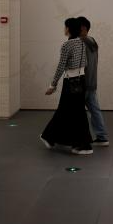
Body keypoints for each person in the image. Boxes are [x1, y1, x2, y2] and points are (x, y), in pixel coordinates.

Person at [40, 17, 93, 155]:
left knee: (67, 111)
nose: (64, 29)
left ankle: (79, 145)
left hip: (70, 82)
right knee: (75, 112)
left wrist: (53, 85)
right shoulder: (82, 43)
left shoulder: (67, 45)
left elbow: (61, 66)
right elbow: (85, 63)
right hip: (81, 81)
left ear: (69, 28)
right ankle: (55, 139)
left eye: (65, 26)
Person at [77, 16, 110, 147]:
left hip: (82, 83)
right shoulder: (92, 41)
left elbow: (81, 64)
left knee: (72, 112)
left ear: (83, 28)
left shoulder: (81, 43)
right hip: (92, 82)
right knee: (95, 111)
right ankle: (102, 137)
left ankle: (77, 139)